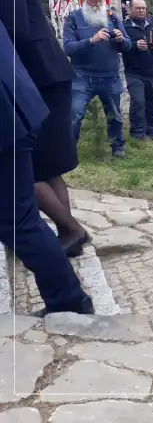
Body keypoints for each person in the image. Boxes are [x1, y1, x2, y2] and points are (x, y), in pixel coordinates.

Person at [0, 0, 90, 256]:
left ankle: (69, 230)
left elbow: (14, 28)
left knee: (30, 167)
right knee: (45, 166)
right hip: (40, 75)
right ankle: (66, 233)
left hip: (40, 76)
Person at [0, 17, 94, 317]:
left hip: (8, 120)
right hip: (20, 106)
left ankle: (69, 300)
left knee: (17, 220)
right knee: (20, 218)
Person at [64, 0, 131, 158]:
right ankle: (68, 151)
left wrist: (120, 39)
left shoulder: (112, 16)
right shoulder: (73, 18)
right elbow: (68, 48)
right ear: (84, 0)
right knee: (74, 113)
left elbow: (127, 45)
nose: (98, 5)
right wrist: (91, 40)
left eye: (100, 1)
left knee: (115, 115)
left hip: (110, 76)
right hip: (82, 76)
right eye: (94, 2)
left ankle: (117, 148)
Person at [122, 0, 153, 140]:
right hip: (134, 71)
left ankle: (152, 132)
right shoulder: (124, 26)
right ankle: (137, 134)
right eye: (138, 8)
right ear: (130, 10)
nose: (142, 11)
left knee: (152, 101)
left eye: (144, 8)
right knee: (138, 102)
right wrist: (135, 45)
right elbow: (120, 46)